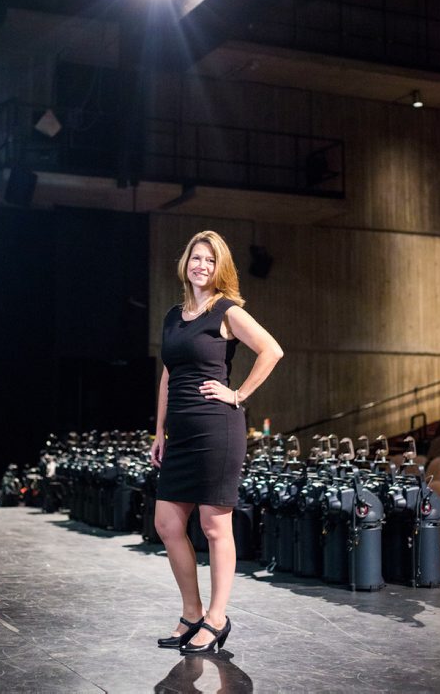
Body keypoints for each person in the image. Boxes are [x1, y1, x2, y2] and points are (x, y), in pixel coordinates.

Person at [150, 230, 283, 655]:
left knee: (213, 525)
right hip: (182, 434)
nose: (201, 266)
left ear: (219, 267)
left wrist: (238, 394)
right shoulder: (174, 316)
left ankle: (217, 618)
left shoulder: (226, 311)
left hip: (216, 430)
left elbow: (271, 350)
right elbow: (169, 375)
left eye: (209, 260)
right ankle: (192, 613)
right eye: (196, 258)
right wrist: (159, 431)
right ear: (185, 263)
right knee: (168, 524)